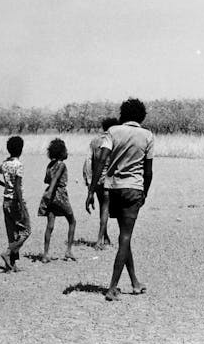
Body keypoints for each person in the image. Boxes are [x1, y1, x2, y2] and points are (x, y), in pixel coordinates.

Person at [86, 98, 153, 301]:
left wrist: (91, 190)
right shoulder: (147, 135)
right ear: (141, 116)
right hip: (134, 189)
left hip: (113, 188)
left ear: (123, 114)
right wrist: (144, 193)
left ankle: (134, 282)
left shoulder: (113, 131)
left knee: (125, 236)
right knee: (126, 236)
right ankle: (112, 287)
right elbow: (148, 172)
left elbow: (101, 160)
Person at [0, 135, 31, 272]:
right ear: (21, 149)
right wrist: (22, 206)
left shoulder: (4, 164)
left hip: (6, 201)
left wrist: (4, 185)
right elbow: (17, 187)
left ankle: (11, 265)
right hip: (15, 202)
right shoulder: (19, 165)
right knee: (26, 231)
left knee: (12, 233)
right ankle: (8, 252)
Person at [37, 138, 76, 262]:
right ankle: (69, 251)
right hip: (59, 194)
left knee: (50, 225)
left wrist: (48, 192)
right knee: (72, 221)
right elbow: (55, 179)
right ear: (61, 153)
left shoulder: (50, 165)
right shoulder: (61, 165)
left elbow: (46, 180)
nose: (67, 152)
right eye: (65, 150)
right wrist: (52, 190)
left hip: (50, 195)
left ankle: (45, 254)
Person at [83, 117, 118, 248]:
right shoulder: (114, 140)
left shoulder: (94, 141)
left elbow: (88, 162)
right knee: (106, 208)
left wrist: (89, 183)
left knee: (102, 206)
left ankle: (106, 236)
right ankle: (99, 240)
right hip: (109, 179)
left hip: (96, 180)